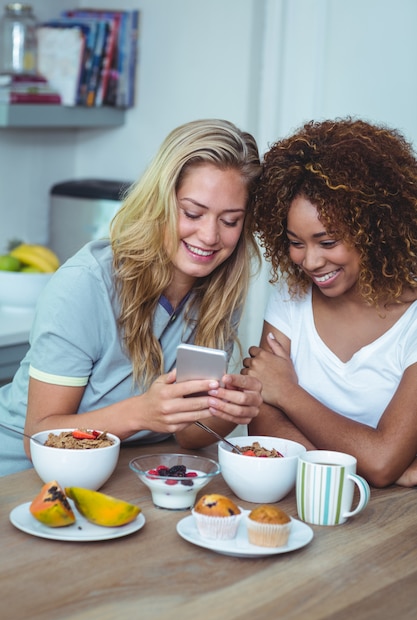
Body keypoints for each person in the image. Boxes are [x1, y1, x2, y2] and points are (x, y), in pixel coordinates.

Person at [0, 118, 263, 476]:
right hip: (20, 473)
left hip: (120, 471)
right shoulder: (87, 284)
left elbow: (188, 433)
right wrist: (142, 412)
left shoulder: (220, 290)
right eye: (192, 213)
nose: (209, 235)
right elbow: (38, 438)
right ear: (160, 201)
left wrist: (231, 412)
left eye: (230, 221)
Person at [242, 117, 417, 488]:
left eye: (327, 241)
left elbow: (384, 462)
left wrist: (287, 392)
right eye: (296, 242)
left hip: (391, 526)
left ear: (373, 229)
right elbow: (262, 424)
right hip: (311, 500)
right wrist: (364, 462)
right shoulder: (292, 296)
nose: (310, 262)